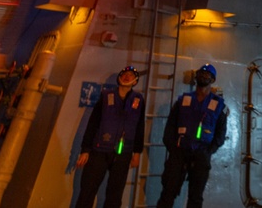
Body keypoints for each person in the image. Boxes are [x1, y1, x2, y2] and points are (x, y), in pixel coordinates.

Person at [157, 64, 228, 208]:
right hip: (179, 153)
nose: (204, 76)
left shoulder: (218, 105)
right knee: (168, 193)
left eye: (208, 74)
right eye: (201, 73)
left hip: (201, 155)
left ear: (213, 80)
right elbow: (170, 126)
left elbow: (221, 133)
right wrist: (173, 148)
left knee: (195, 198)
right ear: (196, 77)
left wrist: (209, 151)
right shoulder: (183, 101)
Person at [75, 66, 145, 208]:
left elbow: (140, 127)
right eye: (125, 74)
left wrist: (137, 153)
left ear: (135, 81)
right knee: (87, 191)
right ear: (119, 77)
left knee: (115, 195)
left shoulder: (138, 100)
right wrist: (85, 149)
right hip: (99, 151)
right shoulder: (106, 96)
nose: (127, 76)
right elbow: (93, 123)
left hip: (123, 153)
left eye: (131, 75)